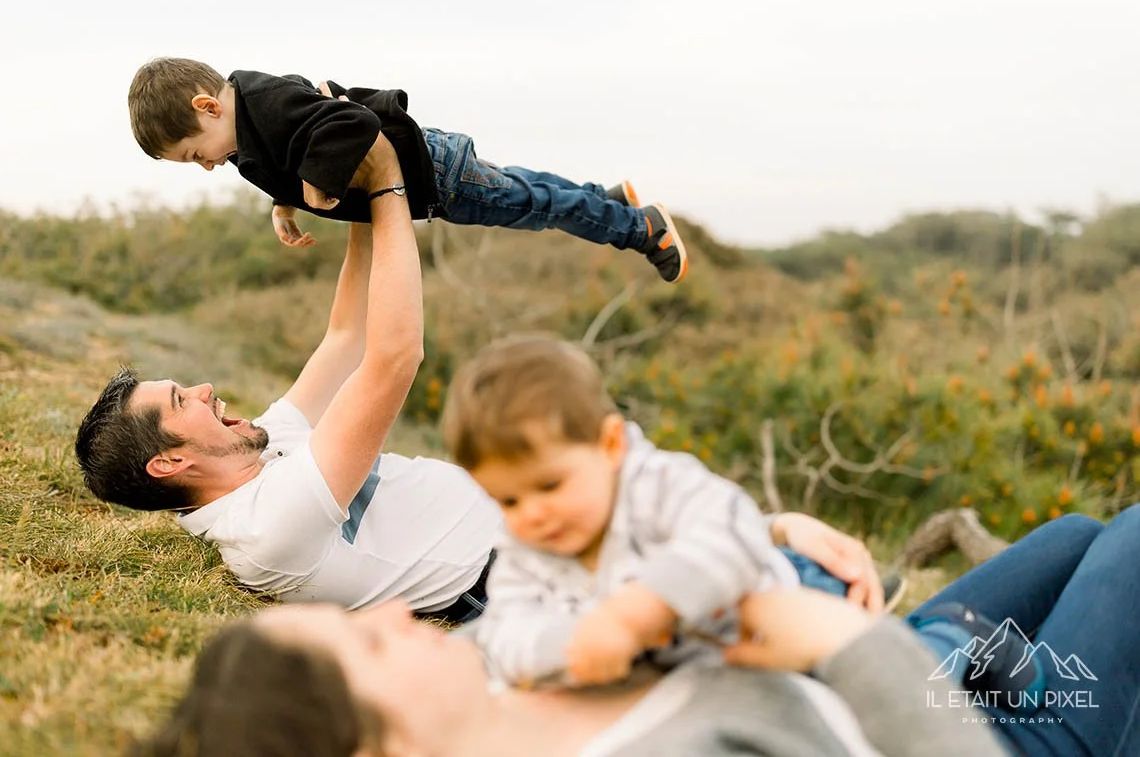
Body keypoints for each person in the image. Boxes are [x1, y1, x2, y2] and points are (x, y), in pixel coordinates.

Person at [130, 508, 1140, 757]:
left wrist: (774, 534)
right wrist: (831, 638)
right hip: (977, 727)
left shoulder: (490, 659)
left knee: (1076, 535)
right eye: (374, 647)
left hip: (916, 653)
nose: (395, 617)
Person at [437, 335, 1043, 711]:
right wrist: (569, 644)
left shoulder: (654, 483)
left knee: (871, 678)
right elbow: (505, 633)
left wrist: (633, 613)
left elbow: (731, 528)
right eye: (508, 501)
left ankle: (951, 633)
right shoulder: (523, 550)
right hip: (709, 670)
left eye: (549, 485)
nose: (532, 515)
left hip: (786, 609)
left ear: (612, 444)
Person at [74, 129, 502, 621]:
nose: (204, 389)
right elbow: (394, 359)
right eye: (179, 401)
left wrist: (357, 201)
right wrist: (387, 188)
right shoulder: (266, 529)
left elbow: (345, 336)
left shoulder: (260, 446)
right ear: (168, 462)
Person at [127, 57, 689, 284]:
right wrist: (284, 201)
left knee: (534, 207)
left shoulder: (265, 106)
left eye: (195, 154)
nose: (205, 167)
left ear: (207, 107)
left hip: (435, 177)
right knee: (522, 186)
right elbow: (299, 135)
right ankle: (605, 197)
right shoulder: (250, 117)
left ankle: (640, 228)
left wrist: (316, 188)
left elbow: (344, 126)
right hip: (433, 155)